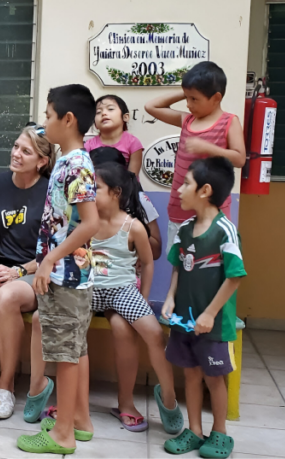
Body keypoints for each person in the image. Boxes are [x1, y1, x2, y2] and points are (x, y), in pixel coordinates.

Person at [16, 84, 99, 455]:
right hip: (68, 275)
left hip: (66, 277)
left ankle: (62, 435)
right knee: (74, 349)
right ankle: (79, 420)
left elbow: (90, 224)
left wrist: (49, 260)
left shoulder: (78, 162)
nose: (43, 122)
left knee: (64, 355)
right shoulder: (67, 160)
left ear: (68, 120)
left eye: (48, 115)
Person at [0, 125, 53, 420]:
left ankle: (7, 385)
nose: (16, 154)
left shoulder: (51, 192)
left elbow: (54, 248)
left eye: (25, 151)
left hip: (33, 270)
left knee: (8, 297)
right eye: (16, 146)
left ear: (41, 160)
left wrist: (17, 272)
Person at [161, 156, 246, 458]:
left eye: (185, 183)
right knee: (191, 375)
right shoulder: (184, 228)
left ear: (205, 190)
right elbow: (177, 268)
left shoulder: (225, 231)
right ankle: (194, 431)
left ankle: (220, 433)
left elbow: (235, 277)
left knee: (213, 378)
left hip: (213, 324)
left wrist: (210, 313)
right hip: (184, 320)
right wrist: (170, 297)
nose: (179, 189)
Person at [90, 161, 181, 434]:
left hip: (122, 291)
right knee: (61, 324)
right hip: (91, 291)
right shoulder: (85, 221)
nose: (89, 192)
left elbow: (148, 262)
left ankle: (168, 399)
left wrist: (143, 297)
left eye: (96, 188)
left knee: (154, 334)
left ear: (116, 192)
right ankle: (65, 399)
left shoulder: (134, 227)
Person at [144, 61, 246, 249]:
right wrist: (188, 90)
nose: (188, 104)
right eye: (187, 98)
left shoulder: (229, 122)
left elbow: (240, 159)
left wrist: (208, 148)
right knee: (180, 265)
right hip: (180, 209)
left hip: (212, 213)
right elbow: (151, 107)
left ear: (216, 98)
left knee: (210, 265)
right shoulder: (187, 120)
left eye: (194, 99)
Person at [88, 147, 162, 260]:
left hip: (126, 273)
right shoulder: (85, 202)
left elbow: (156, 252)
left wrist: (133, 230)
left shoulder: (140, 200)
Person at [84, 95, 143, 175]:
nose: (104, 113)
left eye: (110, 109)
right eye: (98, 112)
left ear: (125, 117)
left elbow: (133, 177)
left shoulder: (133, 142)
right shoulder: (89, 145)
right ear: (95, 125)